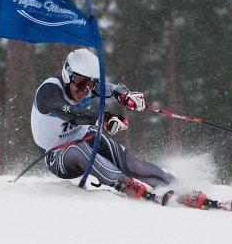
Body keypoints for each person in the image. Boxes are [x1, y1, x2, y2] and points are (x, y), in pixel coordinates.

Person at [31, 48, 220, 209]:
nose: (85, 90)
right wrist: (102, 118)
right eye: (81, 83)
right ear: (67, 74)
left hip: (85, 138)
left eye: (91, 85)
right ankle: (124, 184)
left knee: (132, 162)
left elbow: (113, 89)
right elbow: (68, 112)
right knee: (79, 150)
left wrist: (127, 97)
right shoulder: (49, 91)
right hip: (57, 155)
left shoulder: (87, 86)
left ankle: (181, 188)